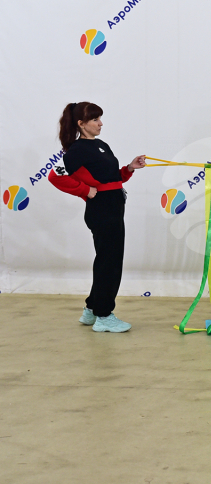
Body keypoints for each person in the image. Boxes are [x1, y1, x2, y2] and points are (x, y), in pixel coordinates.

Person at [48, 102, 146, 333]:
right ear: (81, 124)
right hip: (102, 210)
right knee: (109, 263)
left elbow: (110, 179)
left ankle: (92, 310)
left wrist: (129, 168)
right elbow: (54, 176)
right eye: (95, 119)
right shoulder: (76, 150)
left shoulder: (101, 145)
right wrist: (84, 190)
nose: (101, 123)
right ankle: (104, 316)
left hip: (113, 206)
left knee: (106, 260)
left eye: (100, 118)